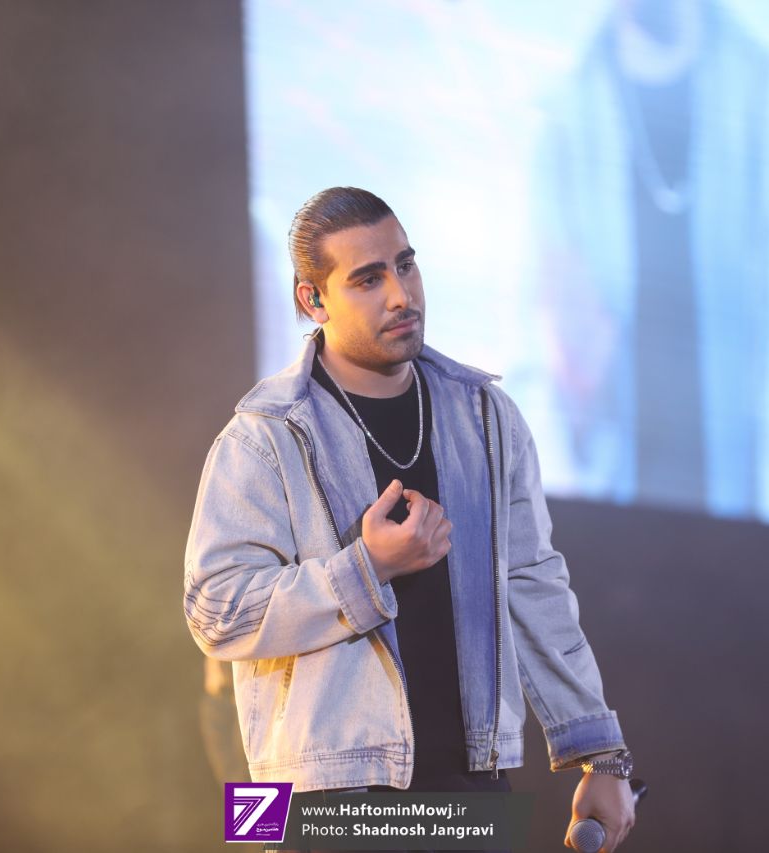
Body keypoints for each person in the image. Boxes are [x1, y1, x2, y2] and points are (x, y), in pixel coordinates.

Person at [185, 187, 636, 851]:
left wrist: (601, 753)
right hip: (322, 795)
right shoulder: (264, 435)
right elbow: (214, 611)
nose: (401, 294)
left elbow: (533, 583)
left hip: (470, 786)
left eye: (405, 265)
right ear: (312, 300)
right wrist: (367, 568)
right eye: (368, 279)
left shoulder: (484, 414)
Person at [531, 0, 769, 527]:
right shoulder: (567, 119)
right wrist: (576, 395)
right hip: (612, 530)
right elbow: (544, 362)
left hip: (751, 527)